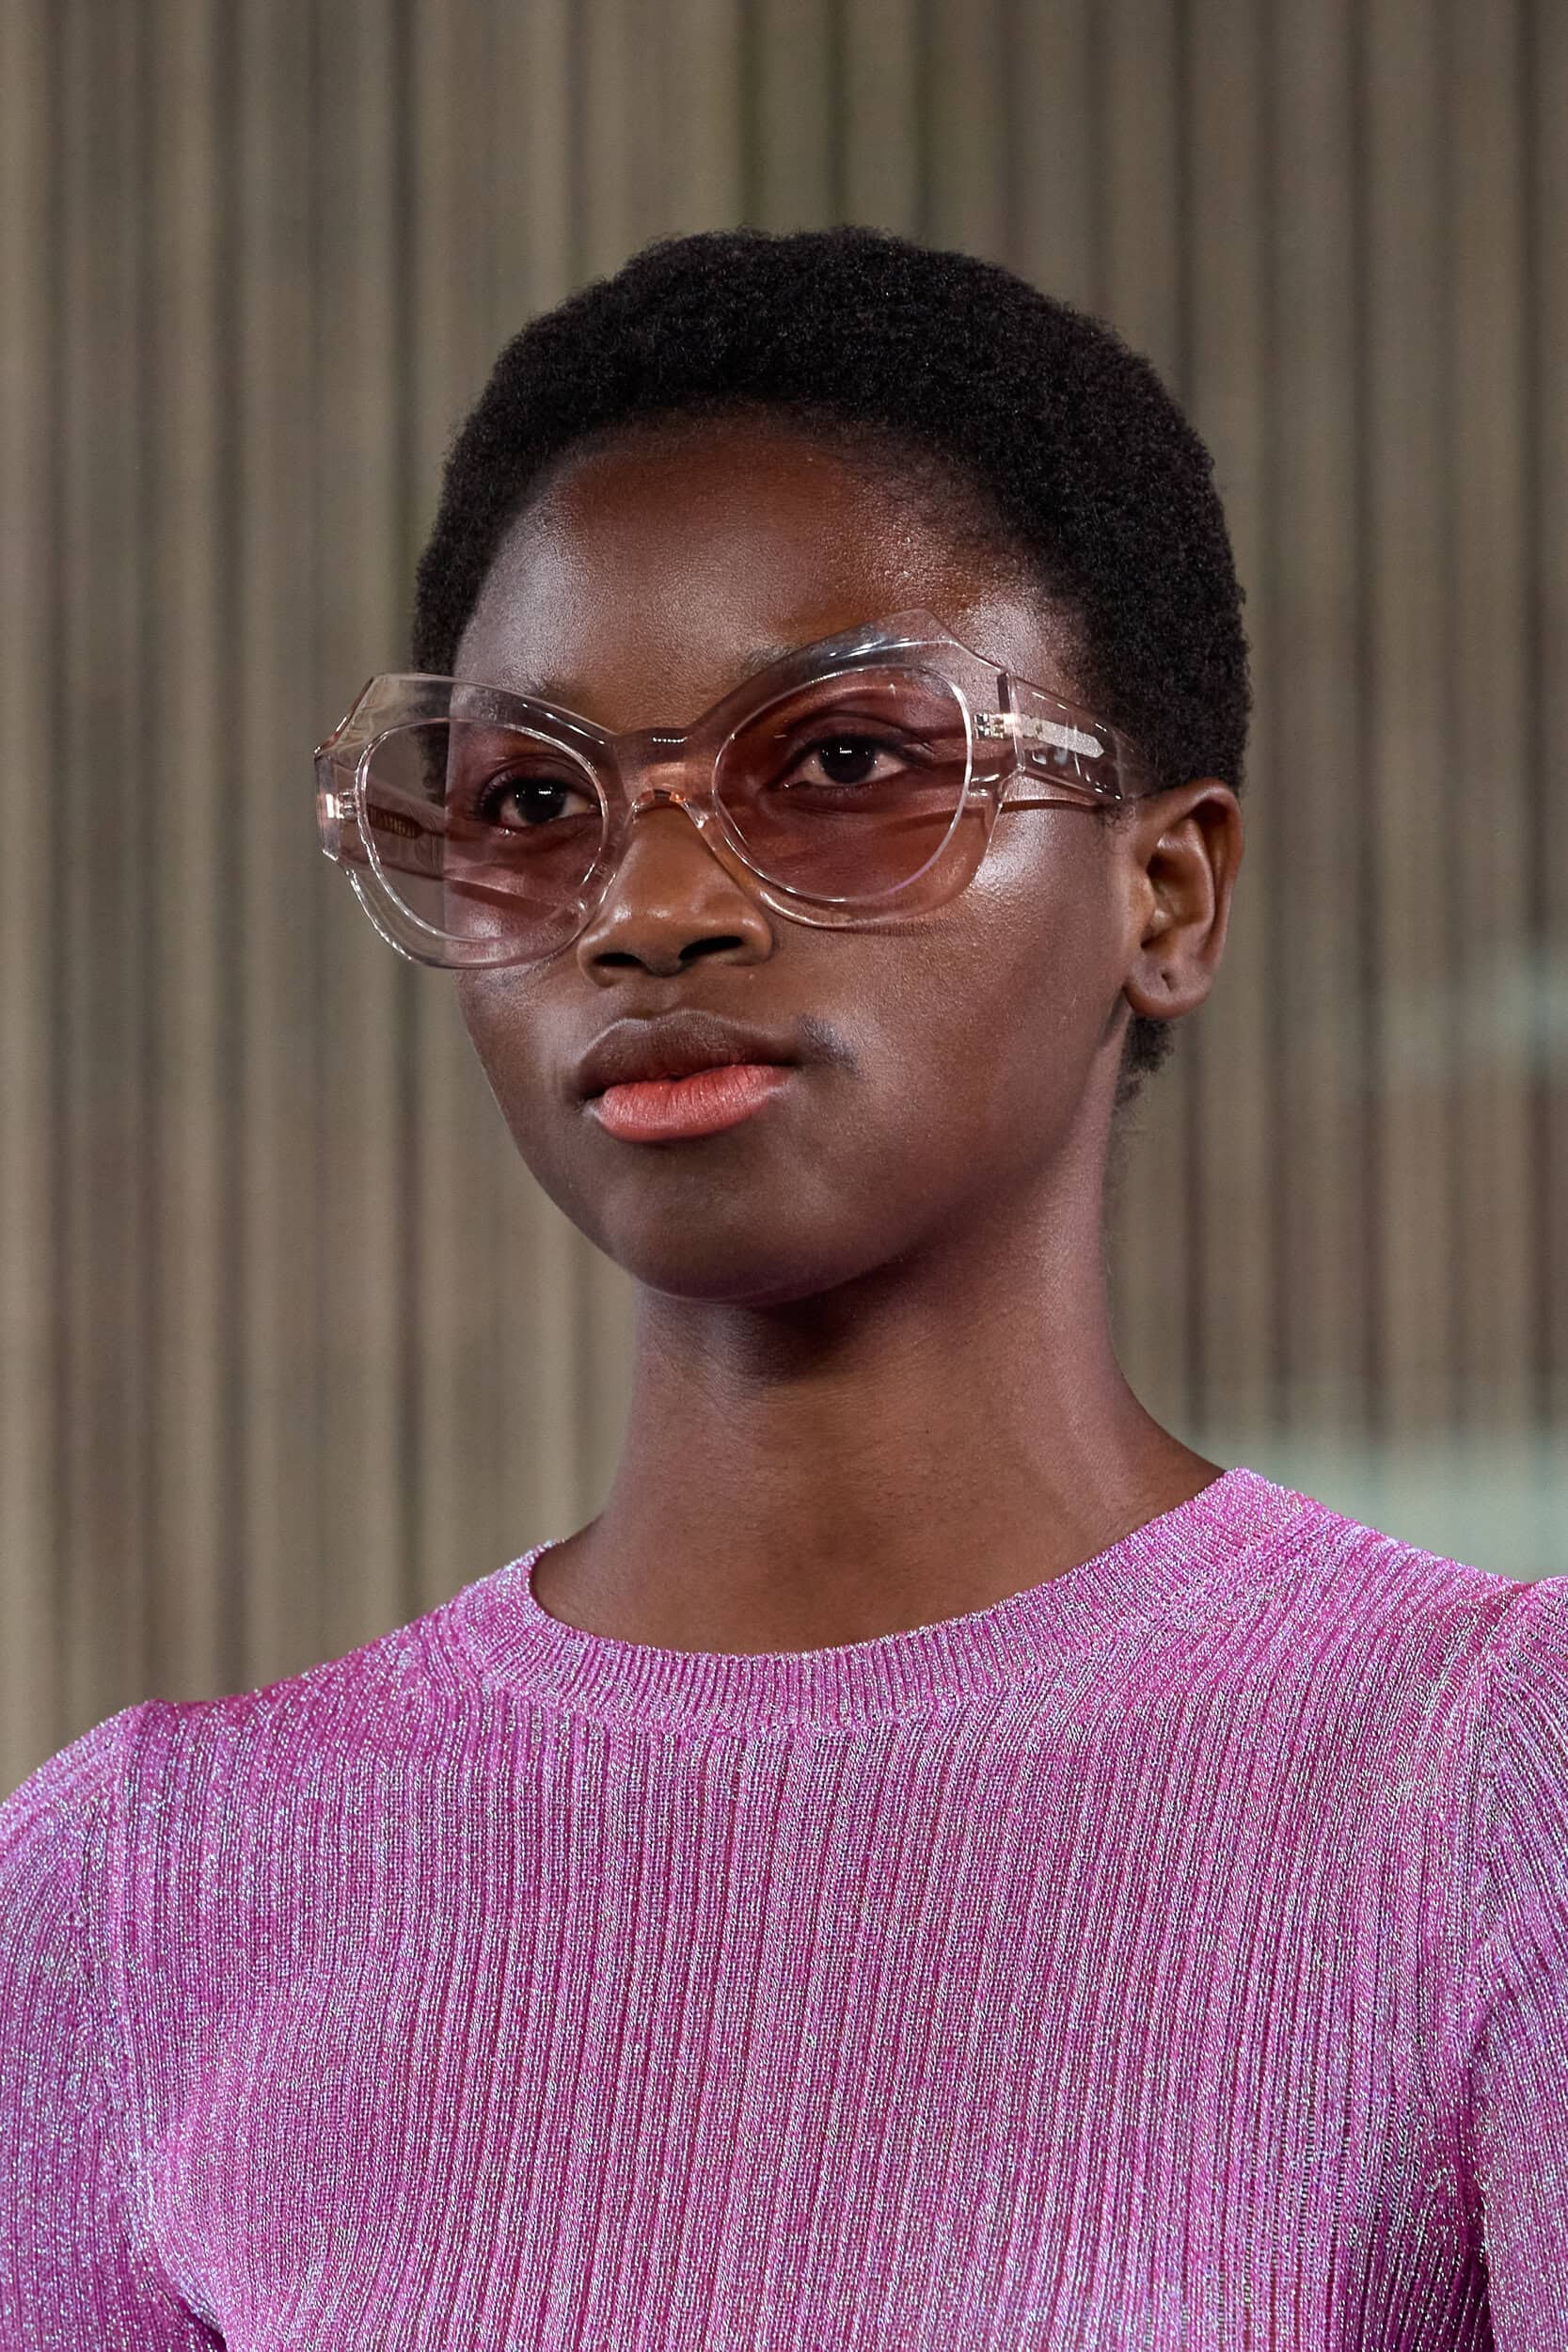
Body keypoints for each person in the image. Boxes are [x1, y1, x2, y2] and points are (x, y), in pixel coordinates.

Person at [1, 225, 1562, 2348]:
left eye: (839, 764)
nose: (648, 908)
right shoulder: (140, 1899)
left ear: (1168, 889)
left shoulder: (1483, 1796)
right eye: (530, 800)